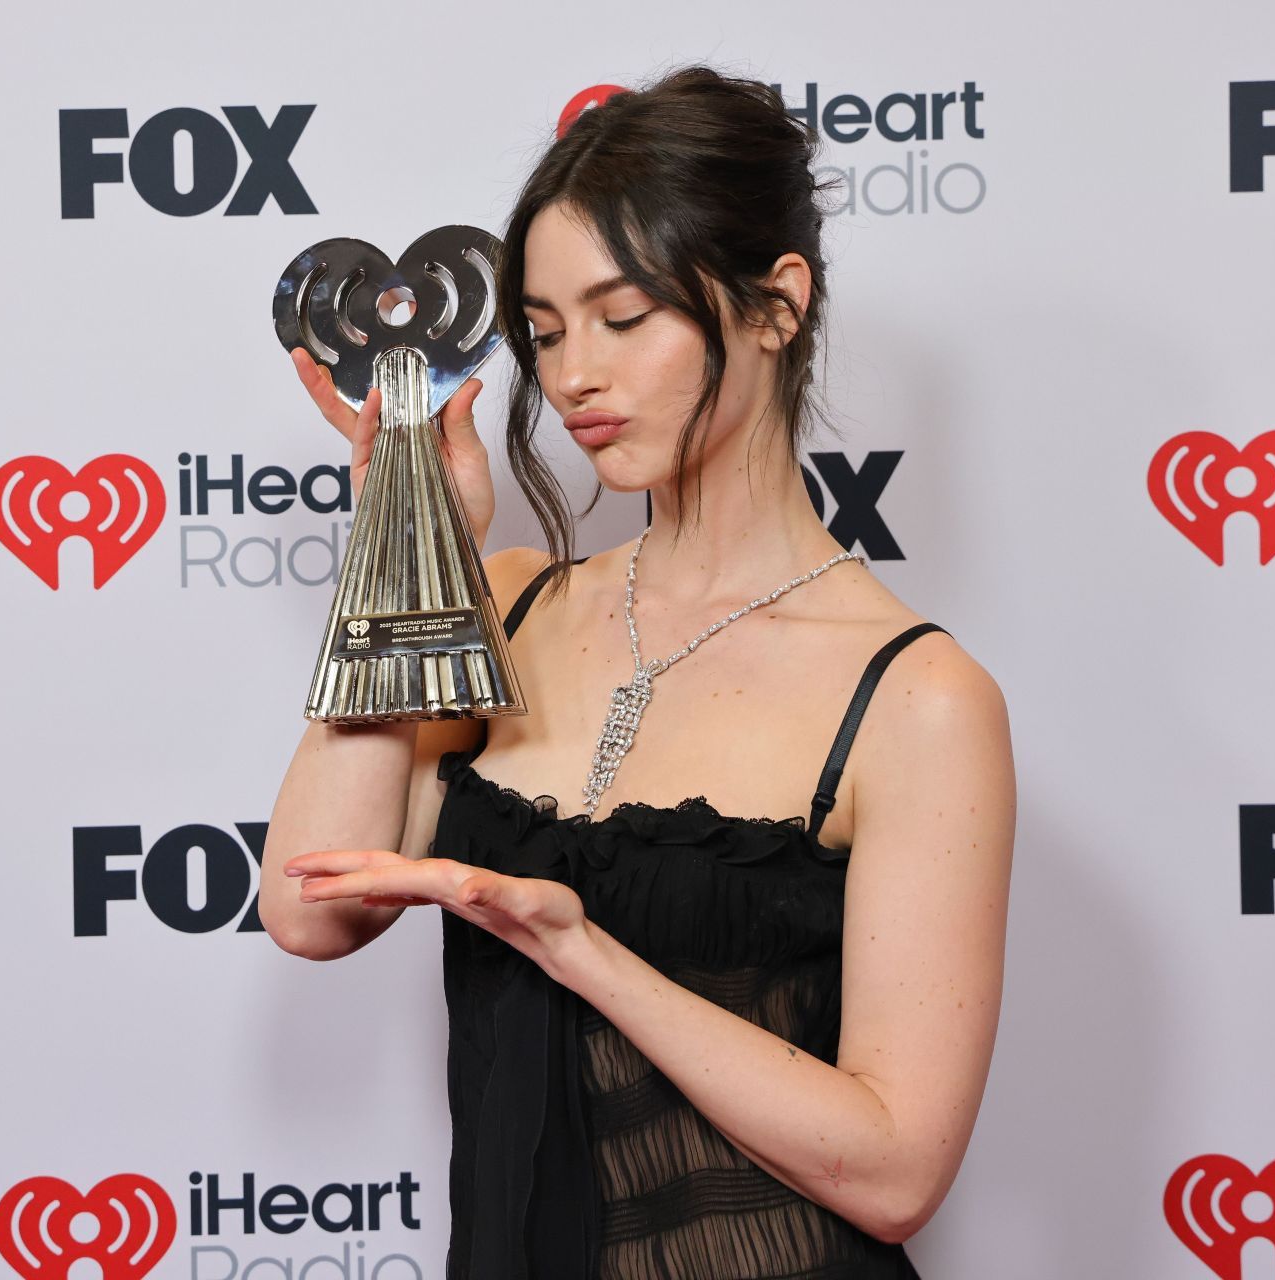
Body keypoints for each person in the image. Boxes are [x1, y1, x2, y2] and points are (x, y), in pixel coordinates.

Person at [259, 64, 1015, 1280]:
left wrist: (580, 944)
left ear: (775, 305)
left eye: (624, 319)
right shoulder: (507, 602)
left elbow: (895, 1171)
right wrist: (413, 552)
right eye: (546, 334)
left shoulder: (918, 697)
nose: (573, 380)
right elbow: (309, 907)